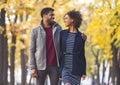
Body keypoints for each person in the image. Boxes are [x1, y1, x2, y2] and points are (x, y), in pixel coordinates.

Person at [30, 7, 87, 85]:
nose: (53, 17)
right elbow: (32, 50)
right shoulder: (35, 31)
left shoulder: (58, 29)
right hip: (40, 65)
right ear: (44, 15)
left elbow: (79, 50)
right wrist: (33, 67)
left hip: (55, 65)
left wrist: (83, 38)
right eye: (51, 15)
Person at [59, 10, 86, 85]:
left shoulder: (81, 36)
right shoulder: (62, 33)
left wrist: (83, 71)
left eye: (66, 18)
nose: (65, 20)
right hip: (65, 67)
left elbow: (82, 55)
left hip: (76, 69)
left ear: (72, 19)